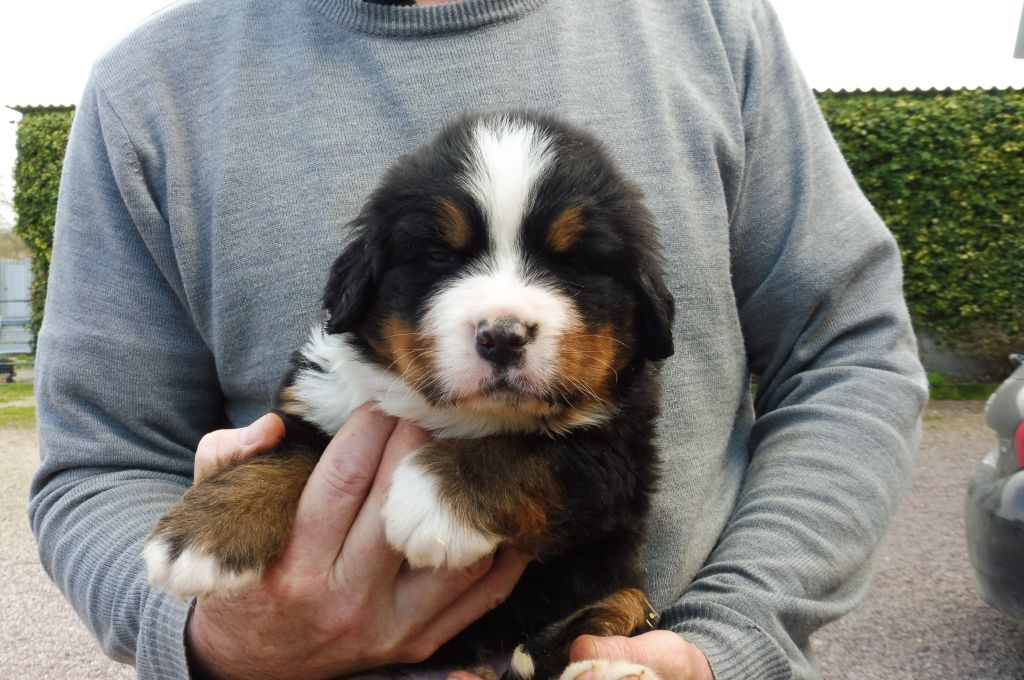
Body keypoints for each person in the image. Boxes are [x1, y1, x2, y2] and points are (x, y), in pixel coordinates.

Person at [28, 0, 928, 679]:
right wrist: (208, 634)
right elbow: (100, 461)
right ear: (364, 289)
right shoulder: (149, 92)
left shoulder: (710, 25)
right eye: (444, 261)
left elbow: (849, 354)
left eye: (564, 268)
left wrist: (729, 639)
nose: (503, 315)